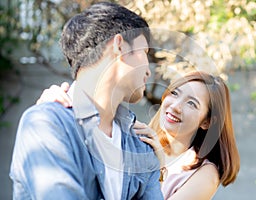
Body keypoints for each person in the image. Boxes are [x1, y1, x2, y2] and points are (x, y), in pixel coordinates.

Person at [10, 2, 163, 199]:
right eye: (144, 53)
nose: (149, 70)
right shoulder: (46, 123)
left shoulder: (140, 147)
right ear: (119, 46)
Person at [38, 70, 240, 199]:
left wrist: (158, 169)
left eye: (191, 103)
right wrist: (56, 105)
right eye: (175, 93)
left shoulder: (206, 174)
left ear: (207, 121)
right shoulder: (139, 137)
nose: (176, 106)